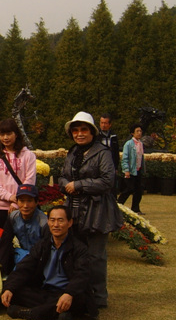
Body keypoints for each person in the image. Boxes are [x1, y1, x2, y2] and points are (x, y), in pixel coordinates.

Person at [59, 111, 123, 309]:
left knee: (95, 257)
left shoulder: (102, 152)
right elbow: (62, 176)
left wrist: (79, 185)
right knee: (76, 255)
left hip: (97, 212)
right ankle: (80, 293)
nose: (79, 134)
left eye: (83, 130)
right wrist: (66, 184)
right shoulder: (72, 153)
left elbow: (107, 181)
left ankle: (99, 296)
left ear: (92, 132)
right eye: (75, 130)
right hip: (75, 211)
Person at [0, 206, 97, 320]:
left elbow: (82, 275)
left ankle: (32, 313)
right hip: (44, 292)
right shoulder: (42, 245)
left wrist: (69, 293)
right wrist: (9, 288)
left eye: (60, 220)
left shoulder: (79, 248)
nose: (56, 224)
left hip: (66, 293)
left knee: (79, 299)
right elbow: (24, 267)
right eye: (52, 220)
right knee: (14, 289)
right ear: (48, 222)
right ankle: (59, 314)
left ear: (70, 223)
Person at [0, 118, 37, 228]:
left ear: (16, 134)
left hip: (23, 207)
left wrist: (17, 202)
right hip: (0, 207)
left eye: (9, 134)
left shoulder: (28, 155)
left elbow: (29, 181)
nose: (5, 138)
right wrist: (10, 197)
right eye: (2, 134)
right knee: (3, 240)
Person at [6, 184, 48, 263]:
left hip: (39, 259)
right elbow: (5, 242)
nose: (25, 205)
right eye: (22, 201)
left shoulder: (44, 222)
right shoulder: (13, 217)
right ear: (17, 202)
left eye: (29, 201)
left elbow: (46, 248)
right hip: (22, 256)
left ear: (36, 202)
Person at [118, 124, 145, 214]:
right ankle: (118, 205)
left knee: (139, 190)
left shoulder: (141, 144)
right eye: (137, 131)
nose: (139, 133)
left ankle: (135, 208)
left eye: (140, 131)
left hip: (138, 170)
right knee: (129, 189)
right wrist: (126, 170)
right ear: (132, 133)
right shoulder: (129, 144)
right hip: (130, 171)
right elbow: (125, 158)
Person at [99, 113, 120, 194]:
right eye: (101, 123)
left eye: (105, 123)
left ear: (110, 124)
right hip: (100, 165)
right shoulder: (96, 136)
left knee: (112, 188)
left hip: (111, 165)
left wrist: (116, 167)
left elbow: (116, 152)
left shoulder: (113, 136)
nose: (103, 125)